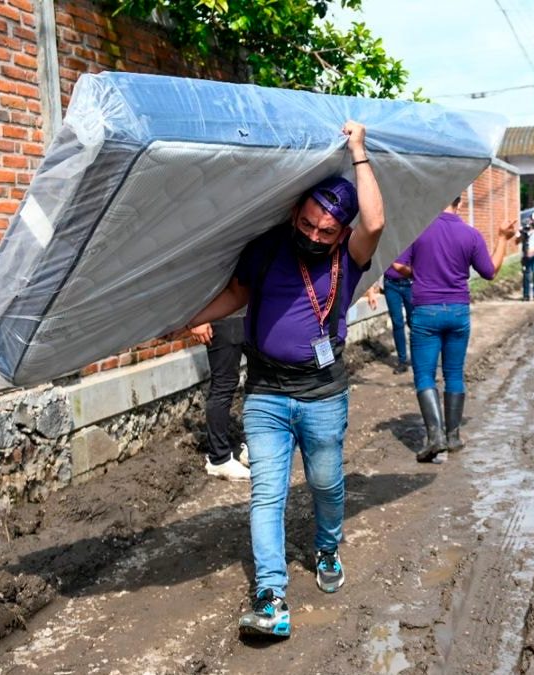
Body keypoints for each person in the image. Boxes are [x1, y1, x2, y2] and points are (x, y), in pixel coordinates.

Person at [186, 120, 385, 638]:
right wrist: (188, 315)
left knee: (325, 484)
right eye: (309, 224)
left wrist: (358, 152)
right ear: (297, 213)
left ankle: (326, 547)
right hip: (267, 394)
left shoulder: (348, 257)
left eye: (326, 231)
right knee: (266, 494)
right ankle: (271, 597)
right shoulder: (268, 248)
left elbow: (377, 223)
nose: (315, 236)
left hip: (322, 395)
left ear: (341, 233)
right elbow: (236, 295)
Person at [401, 196, 515, 463]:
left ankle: (435, 437)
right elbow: (489, 272)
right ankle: (453, 437)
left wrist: (420, 275)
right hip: (458, 311)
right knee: (454, 373)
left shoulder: (417, 230)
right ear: (460, 203)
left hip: (426, 311)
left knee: (425, 375)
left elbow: (395, 267)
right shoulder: (471, 234)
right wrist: (502, 238)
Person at [189, 319, 250, 480]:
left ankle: (252, 446)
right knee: (224, 384)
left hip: (251, 312)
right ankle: (219, 459)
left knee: (260, 379)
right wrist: (197, 320)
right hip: (224, 318)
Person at [366, 249, 415, 374]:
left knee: (414, 322)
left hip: (410, 285)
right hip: (391, 285)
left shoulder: (412, 240)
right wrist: (371, 292)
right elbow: (375, 265)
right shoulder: (387, 243)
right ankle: (402, 361)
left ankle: (417, 357)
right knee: (397, 322)